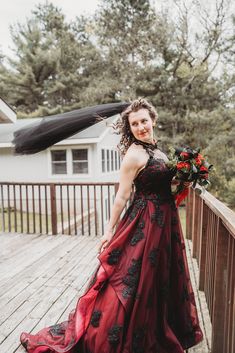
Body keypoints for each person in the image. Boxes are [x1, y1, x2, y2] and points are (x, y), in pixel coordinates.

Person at [20, 98, 203, 353]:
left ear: (153, 121)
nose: (141, 127)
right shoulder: (134, 154)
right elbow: (122, 196)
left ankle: (156, 328)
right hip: (145, 224)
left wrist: (190, 174)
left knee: (158, 278)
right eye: (135, 123)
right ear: (130, 127)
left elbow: (164, 184)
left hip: (165, 222)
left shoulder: (158, 152)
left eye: (144, 121)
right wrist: (108, 231)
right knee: (135, 279)